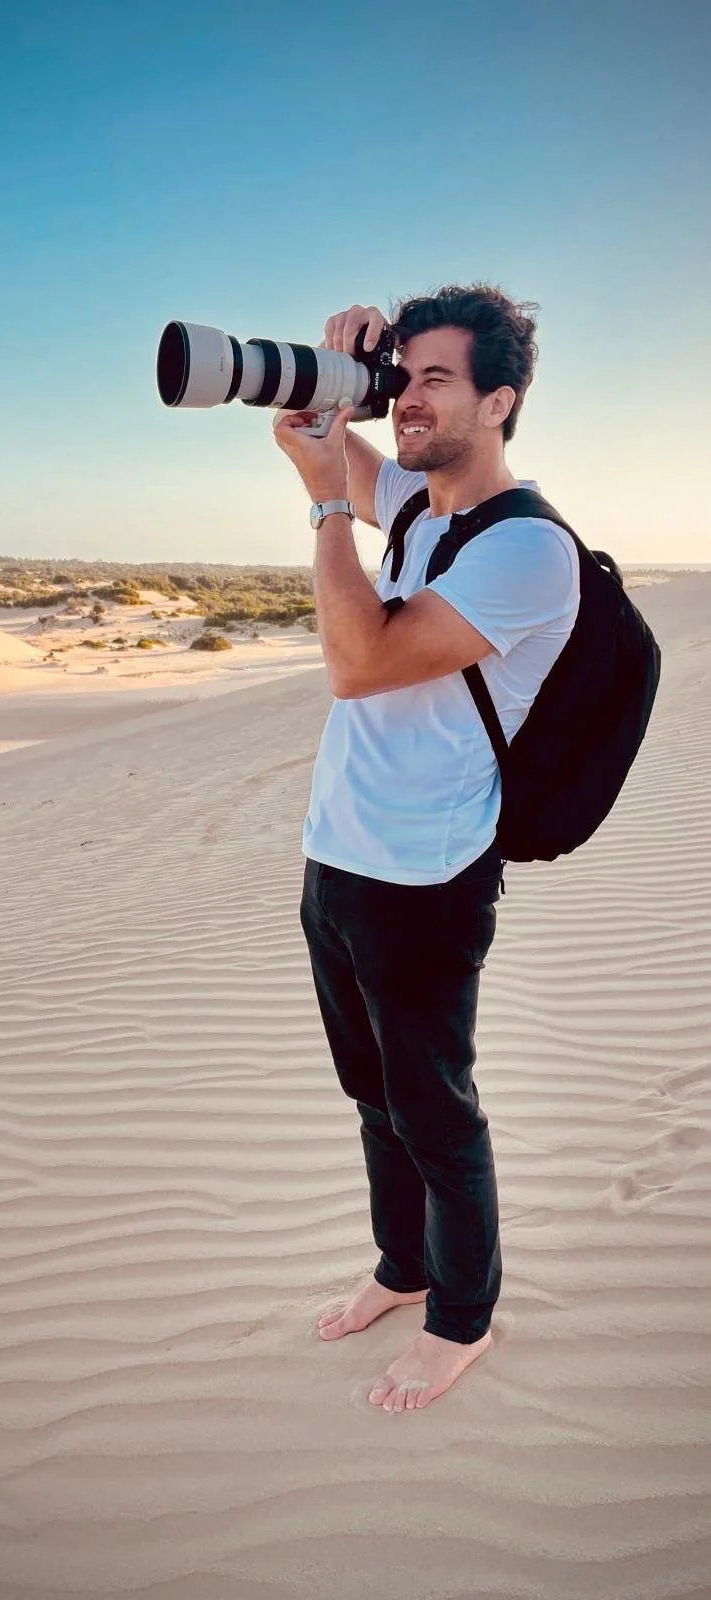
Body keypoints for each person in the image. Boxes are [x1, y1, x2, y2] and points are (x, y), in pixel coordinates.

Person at [272, 284, 580, 1413]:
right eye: (402, 374)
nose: (407, 396)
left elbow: (358, 660)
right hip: (339, 854)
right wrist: (326, 380)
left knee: (435, 1106)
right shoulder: (409, 497)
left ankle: (464, 1317)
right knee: (372, 1097)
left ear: (498, 402)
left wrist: (322, 510)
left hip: (427, 876)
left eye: (434, 377)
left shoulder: (528, 549)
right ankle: (403, 1270)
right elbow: (320, 442)